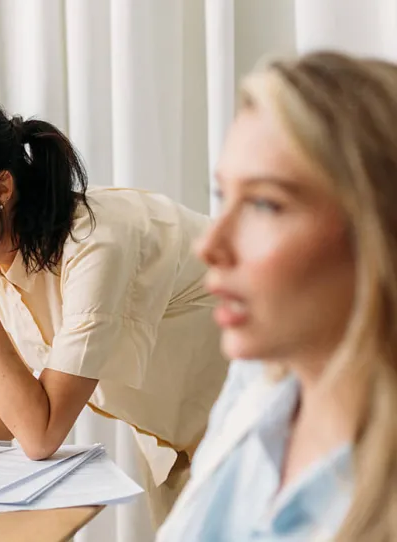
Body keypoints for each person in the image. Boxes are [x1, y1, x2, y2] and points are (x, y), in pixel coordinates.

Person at [0, 93, 228, 526]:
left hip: (267, 420)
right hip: (176, 438)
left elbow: (40, 434)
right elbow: (21, 403)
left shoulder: (95, 245)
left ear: (0, 188)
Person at [157, 51, 397, 541]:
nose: (210, 245)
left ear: (380, 230)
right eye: (224, 197)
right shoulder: (259, 386)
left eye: (265, 203)